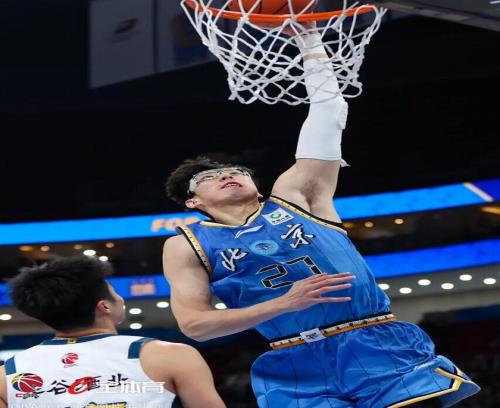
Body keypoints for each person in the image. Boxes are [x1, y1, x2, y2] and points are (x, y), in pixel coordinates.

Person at [162, 28, 480, 407]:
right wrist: (284, 304)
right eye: (208, 178)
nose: (227, 175)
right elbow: (195, 326)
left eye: (236, 170)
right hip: (294, 360)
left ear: (257, 186)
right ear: (193, 202)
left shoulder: (296, 197)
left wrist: (310, 41)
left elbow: (329, 113)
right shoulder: (186, 244)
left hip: (377, 340)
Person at [0, 256, 225, 408]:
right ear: (104, 306)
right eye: (114, 291)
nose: (121, 298)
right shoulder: (170, 356)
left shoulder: (6, 375)